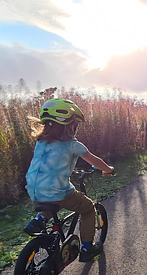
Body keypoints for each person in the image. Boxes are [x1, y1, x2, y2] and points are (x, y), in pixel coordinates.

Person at [23, 98, 114, 262]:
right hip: (58, 191)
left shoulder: (41, 141)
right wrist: (108, 170)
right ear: (69, 125)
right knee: (87, 208)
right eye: (75, 124)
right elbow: (95, 161)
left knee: (53, 203)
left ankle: (39, 220)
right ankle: (87, 248)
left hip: (34, 190)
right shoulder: (73, 144)